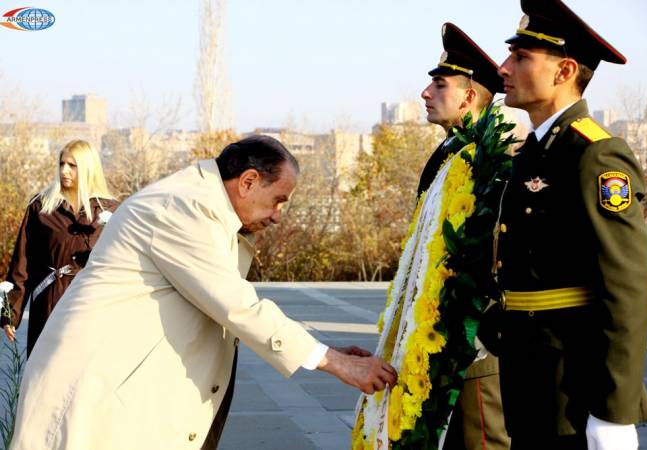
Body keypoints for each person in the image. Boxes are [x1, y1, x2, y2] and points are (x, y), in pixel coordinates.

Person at [9, 135, 397, 450]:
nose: (279, 214)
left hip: (119, 395)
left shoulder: (206, 207)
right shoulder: (183, 207)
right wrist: (331, 361)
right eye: (278, 199)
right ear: (247, 182)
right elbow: (237, 306)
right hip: (94, 398)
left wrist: (321, 349)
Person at [494, 1, 647, 449]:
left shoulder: (595, 155)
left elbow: (625, 287)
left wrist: (614, 411)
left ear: (564, 70)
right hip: (531, 379)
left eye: (521, 57)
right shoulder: (535, 151)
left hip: (574, 389)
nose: (504, 67)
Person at [418, 23, 510, 450]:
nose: (425, 93)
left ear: (469, 97)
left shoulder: (490, 162)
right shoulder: (451, 154)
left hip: (476, 344)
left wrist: (476, 335)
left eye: (439, 84)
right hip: (443, 337)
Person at [2, 139, 119, 356]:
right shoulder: (41, 206)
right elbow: (23, 263)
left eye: (72, 166)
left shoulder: (110, 209)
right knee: (46, 372)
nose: (64, 170)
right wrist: (10, 312)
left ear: (87, 168)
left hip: (92, 303)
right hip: (50, 302)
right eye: (61, 164)